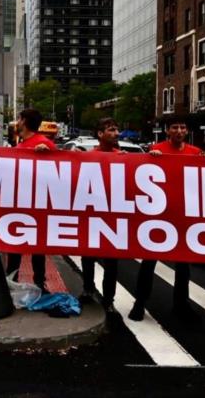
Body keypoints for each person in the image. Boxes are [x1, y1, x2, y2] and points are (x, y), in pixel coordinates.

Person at [129, 116, 203, 321]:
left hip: (183, 215)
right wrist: (151, 159)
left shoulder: (195, 153)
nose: (179, 130)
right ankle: (140, 303)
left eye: (182, 126)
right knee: (149, 261)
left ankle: (181, 304)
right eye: (175, 127)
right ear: (168, 131)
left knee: (183, 264)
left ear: (186, 131)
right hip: (159, 214)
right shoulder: (157, 149)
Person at [5, 108, 56, 293]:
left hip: (37, 205)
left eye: (18, 118)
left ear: (24, 121)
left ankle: (39, 284)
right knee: (14, 246)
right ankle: (12, 282)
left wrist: (47, 155)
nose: (16, 122)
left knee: (37, 247)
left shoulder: (44, 144)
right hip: (19, 204)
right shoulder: (21, 145)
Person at [79, 117, 122, 311]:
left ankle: (109, 299)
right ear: (100, 134)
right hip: (91, 215)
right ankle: (88, 288)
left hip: (113, 218)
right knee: (88, 256)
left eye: (116, 130)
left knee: (111, 260)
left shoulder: (123, 157)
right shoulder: (88, 156)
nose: (116, 134)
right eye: (111, 130)